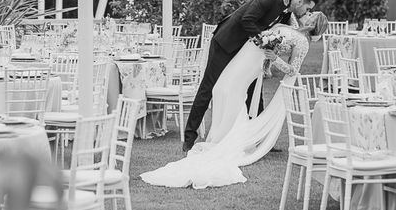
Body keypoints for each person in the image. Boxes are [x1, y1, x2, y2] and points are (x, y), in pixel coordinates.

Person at [140, 11, 329, 189]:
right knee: (221, 88)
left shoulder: (303, 42)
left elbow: (293, 70)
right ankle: (224, 133)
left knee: (229, 90)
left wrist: (274, 59)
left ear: (314, 23)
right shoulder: (293, 27)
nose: (307, 14)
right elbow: (271, 44)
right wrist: (268, 64)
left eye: (311, 15)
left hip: (251, 62)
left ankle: (230, 137)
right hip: (249, 56)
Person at [182, 0, 318, 153]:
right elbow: (247, 20)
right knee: (208, 88)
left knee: (255, 90)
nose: (306, 12)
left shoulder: (287, 12)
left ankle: (259, 139)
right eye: (307, 8)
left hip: (245, 51)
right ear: (298, 2)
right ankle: (189, 138)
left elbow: (294, 32)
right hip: (225, 43)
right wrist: (265, 41)